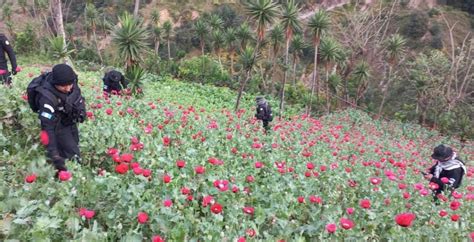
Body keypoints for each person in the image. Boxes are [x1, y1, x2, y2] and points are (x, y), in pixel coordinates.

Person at [32, 64, 86, 173]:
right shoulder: (46, 99)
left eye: (70, 84)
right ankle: (66, 180)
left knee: (74, 145)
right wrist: (54, 154)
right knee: (72, 156)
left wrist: (81, 111)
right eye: (63, 86)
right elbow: (46, 128)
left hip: (69, 120)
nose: (68, 88)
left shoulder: (71, 82)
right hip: (57, 125)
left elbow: (77, 96)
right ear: (55, 83)